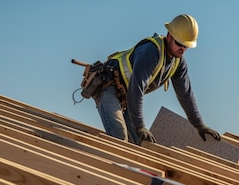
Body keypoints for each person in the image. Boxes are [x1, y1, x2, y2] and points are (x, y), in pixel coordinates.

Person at [94, 14, 221, 145]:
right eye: (179, 44)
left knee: (141, 144)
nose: (182, 49)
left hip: (126, 96)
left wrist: (199, 124)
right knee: (119, 137)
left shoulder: (179, 63)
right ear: (169, 36)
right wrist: (139, 125)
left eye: (186, 46)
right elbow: (137, 87)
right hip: (108, 86)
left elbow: (185, 94)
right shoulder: (151, 52)